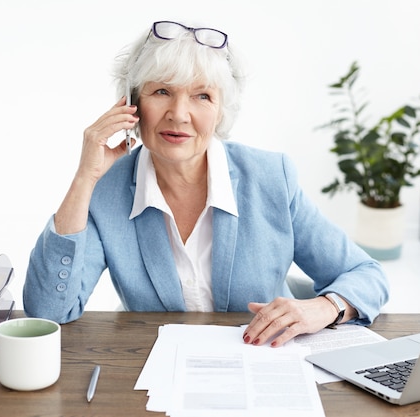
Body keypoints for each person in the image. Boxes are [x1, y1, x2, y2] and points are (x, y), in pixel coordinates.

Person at [23, 20, 389, 348]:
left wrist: (325, 308)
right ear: (132, 104)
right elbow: (49, 312)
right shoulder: (105, 189)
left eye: (202, 96)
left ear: (220, 111)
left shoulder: (271, 176)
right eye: (162, 91)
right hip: (153, 368)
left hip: (265, 368)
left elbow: (365, 274)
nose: (179, 114)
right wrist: (84, 178)